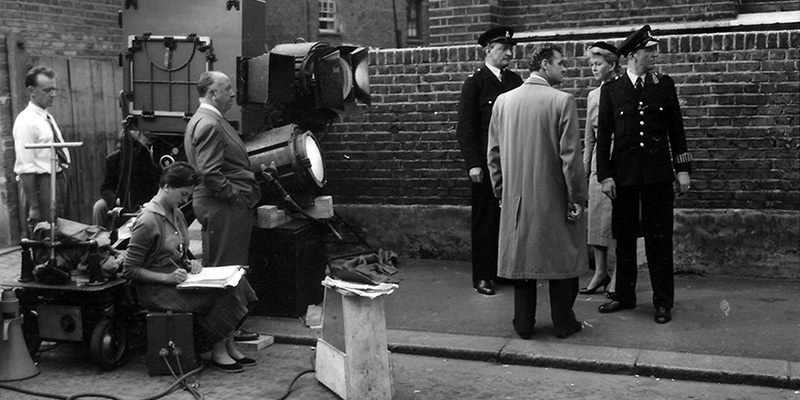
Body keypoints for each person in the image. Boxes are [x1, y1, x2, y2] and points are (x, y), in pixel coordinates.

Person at [487, 44, 588, 339]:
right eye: (560, 63)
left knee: (523, 262)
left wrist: (501, 192)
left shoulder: (503, 101)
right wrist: (577, 197)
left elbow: (493, 154)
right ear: (545, 65)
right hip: (554, 196)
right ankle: (563, 321)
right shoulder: (562, 101)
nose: (564, 69)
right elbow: (570, 157)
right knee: (563, 260)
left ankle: (524, 323)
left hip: (516, 198)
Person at [595, 25, 692, 324]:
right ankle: (624, 295)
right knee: (624, 237)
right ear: (634, 55)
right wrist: (604, 176)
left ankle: (663, 302)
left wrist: (683, 169)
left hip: (658, 175)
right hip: (623, 176)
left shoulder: (664, 85)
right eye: (649, 50)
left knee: (659, 239)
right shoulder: (612, 91)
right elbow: (604, 136)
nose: (654, 54)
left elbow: (676, 129)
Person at [122, 162, 258, 373]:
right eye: (183, 194)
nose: (185, 200)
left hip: (178, 279)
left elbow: (179, 252)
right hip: (155, 289)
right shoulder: (148, 220)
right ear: (167, 186)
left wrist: (190, 261)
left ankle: (229, 345)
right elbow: (130, 270)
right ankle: (218, 350)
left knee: (239, 283)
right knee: (220, 296)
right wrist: (166, 278)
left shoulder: (175, 213)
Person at [184, 71, 261, 341]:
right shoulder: (209, 124)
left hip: (224, 205)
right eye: (227, 89)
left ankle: (230, 329)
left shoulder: (206, 120)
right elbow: (209, 172)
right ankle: (221, 335)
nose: (232, 94)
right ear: (213, 93)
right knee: (225, 270)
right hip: (224, 206)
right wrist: (233, 196)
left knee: (228, 268)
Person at [456, 26, 524, 296]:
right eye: (503, 48)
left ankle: (502, 270)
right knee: (485, 219)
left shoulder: (516, 81)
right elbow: (466, 128)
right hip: (485, 165)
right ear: (488, 50)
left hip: (512, 162)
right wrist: (473, 163)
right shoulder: (476, 82)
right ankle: (482, 276)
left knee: (508, 217)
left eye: (511, 48)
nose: (509, 52)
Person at [580, 42, 621, 297]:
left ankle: (618, 274)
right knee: (596, 219)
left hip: (619, 160)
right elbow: (589, 138)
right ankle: (600, 272)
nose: (594, 68)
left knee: (616, 220)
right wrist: (585, 170)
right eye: (592, 64)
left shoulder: (623, 91)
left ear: (612, 65)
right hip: (599, 161)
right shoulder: (593, 96)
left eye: (599, 64)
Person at [13, 66, 71, 235]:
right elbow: (25, 168)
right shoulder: (26, 121)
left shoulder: (45, 116)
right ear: (31, 91)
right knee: (45, 235)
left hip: (57, 179)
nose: (53, 94)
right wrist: (34, 206)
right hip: (41, 184)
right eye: (47, 90)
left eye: (54, 89)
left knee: (61, 234)